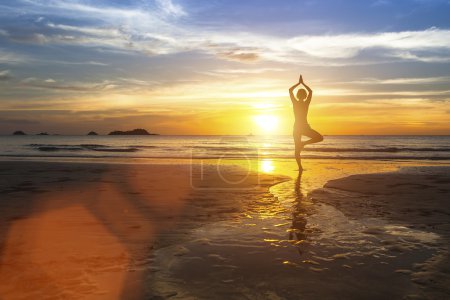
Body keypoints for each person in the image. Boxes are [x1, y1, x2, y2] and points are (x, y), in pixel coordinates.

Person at [289, 75, 323, 171]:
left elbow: (290, 90)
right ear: (304, 96)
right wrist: (303, 83)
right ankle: (303, 144)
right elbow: (310, 92)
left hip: (297, 127)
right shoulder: (305, 103)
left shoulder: (295, 102)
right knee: (319, 138)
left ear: (298, 95)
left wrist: (299, 83)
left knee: (297, 149)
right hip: (303, 127)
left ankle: (300, 167)